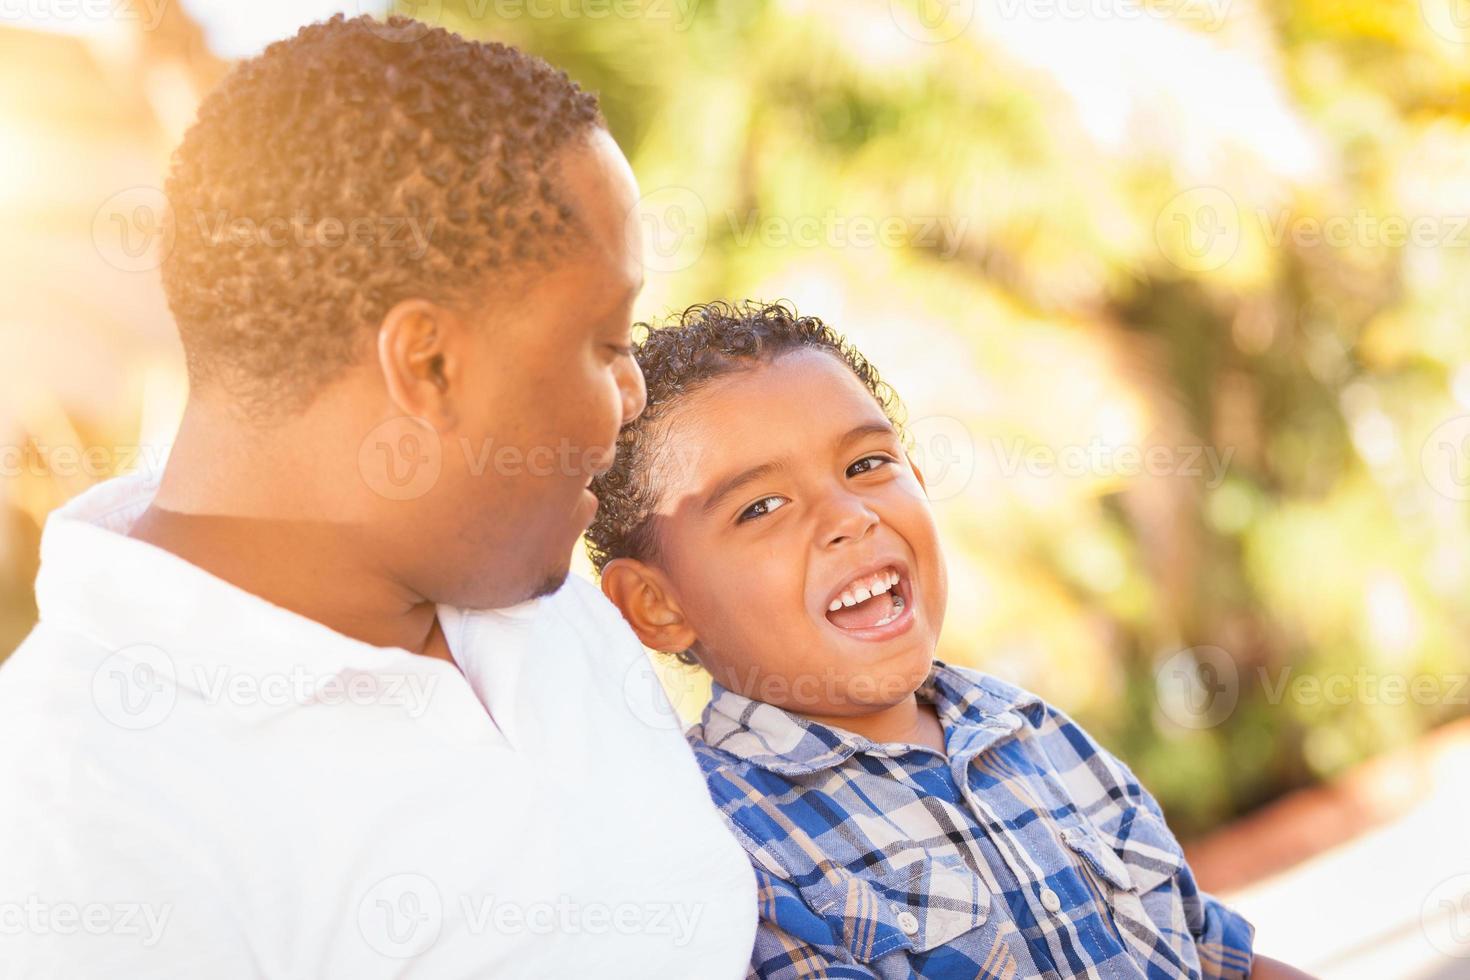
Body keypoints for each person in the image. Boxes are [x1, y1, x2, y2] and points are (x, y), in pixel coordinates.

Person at [0, 16, 755, 978]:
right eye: (605, 340)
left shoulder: (528, 576)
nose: (635, 388)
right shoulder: (75, 823)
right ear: (428, 364)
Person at [587, 300, 1313, 979]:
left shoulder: (1031, 731)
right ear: (656, 605)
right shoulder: (723, 841)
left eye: (866, 465)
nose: (850, 514)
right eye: (762, 506)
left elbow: (1217, 956)